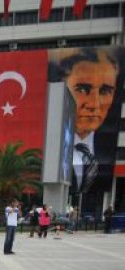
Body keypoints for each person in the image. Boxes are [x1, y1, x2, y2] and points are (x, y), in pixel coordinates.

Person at [59, 48, 120, 200]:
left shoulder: (110, 147)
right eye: (83, 89)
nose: (94, 104)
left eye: (105, 91)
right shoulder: (50, 144)